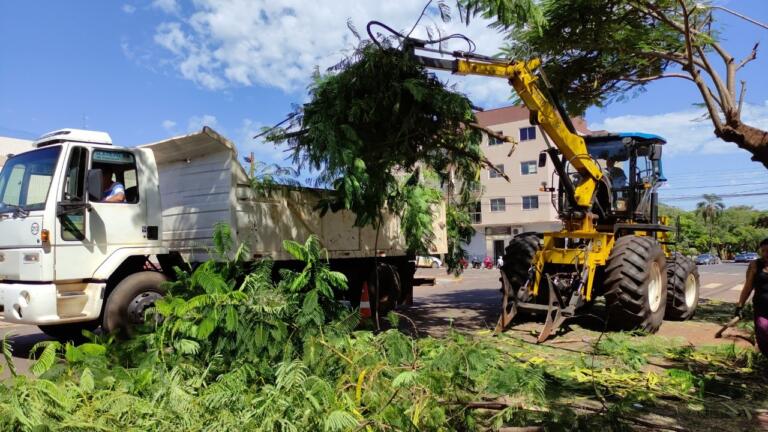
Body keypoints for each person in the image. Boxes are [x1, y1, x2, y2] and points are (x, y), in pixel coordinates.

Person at [735, 238, 768, 356]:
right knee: (763, 332)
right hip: (761, 308)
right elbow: (748, 288)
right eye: (763, 251)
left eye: (767, 251)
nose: (765, 254)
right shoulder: (755, 265)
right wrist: (740, 306)